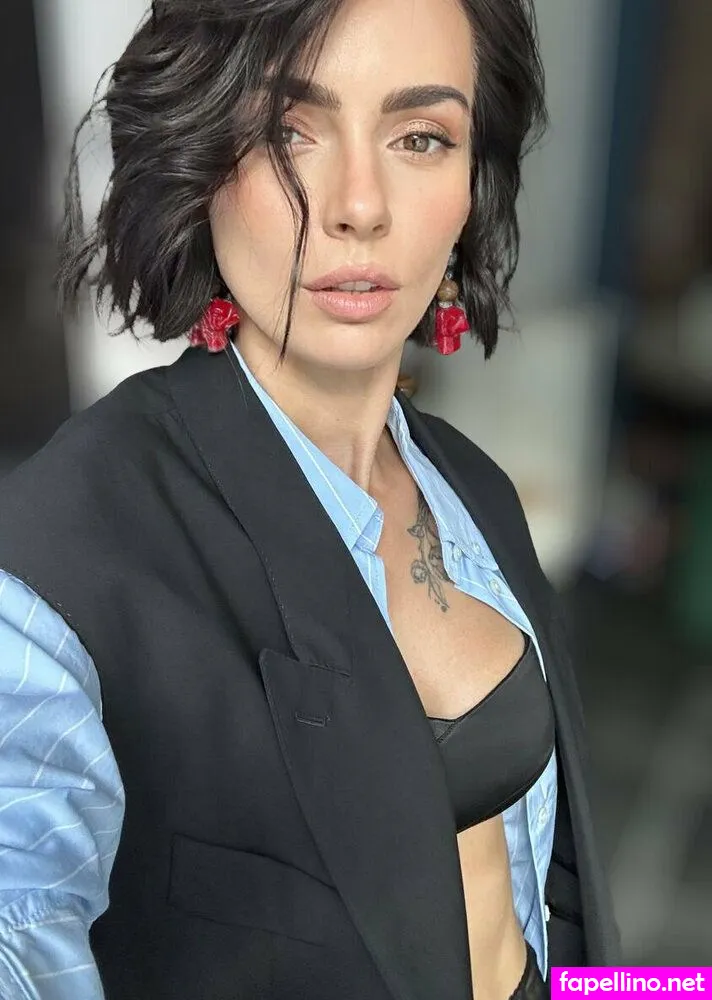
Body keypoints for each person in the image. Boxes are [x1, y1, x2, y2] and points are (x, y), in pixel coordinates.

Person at [0, 0, 621, 997]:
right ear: (198, 153)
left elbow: (558, 912)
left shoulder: (474, 490)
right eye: (288, 132)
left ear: (472, 181)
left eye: (420, 137)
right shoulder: (53, 571)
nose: (358, 205)